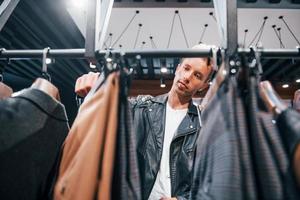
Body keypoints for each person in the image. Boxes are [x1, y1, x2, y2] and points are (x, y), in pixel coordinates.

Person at [75, 44, 214, 200]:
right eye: (186, 68)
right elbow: (101, 123)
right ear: (177, 68)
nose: (187, 77)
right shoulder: (140, 107)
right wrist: (91, 94)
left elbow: (206, 181)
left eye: (197, 75)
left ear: (203, 86)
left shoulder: (203, 125)